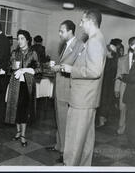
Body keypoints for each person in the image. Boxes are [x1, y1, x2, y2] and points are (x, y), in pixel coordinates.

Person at [61, 9, 106, 166]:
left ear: (90, 22)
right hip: (88, 98)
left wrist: (70, 69)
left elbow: (94, 71)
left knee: (75, 140)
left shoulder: (94, 41)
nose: (80, 25)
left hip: (82, 99)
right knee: (85, 141)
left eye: (82, 21)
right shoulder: (97, 39)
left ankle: (70, 167)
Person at [45, 20, 84, 163]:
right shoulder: (66, 45)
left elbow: (73, 65)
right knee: (59, 119)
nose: (59, 33)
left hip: (67, 88)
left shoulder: (78, 45)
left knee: (65, 121)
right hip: (60, 87)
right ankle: (59, 145)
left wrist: (58, 67)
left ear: (70, 31)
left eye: (62, 31)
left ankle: (65, 151)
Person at [5, 30, 40, 147]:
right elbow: (9, 68)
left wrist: (27, 70)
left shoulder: (32, 53)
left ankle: (23, 135)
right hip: (16, 84)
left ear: (27, 40)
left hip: (27, 85)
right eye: (18, 39)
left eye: (22, 39)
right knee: (16, 108)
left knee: (24, 110)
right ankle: (18, 131)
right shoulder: (14, 53)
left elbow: (39, 69)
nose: (19, 41)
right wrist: (13, 67)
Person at [114, 36, 135, 135]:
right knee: (122, 108)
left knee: (134, 110)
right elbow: (118, 75)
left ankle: (132, 130)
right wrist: (116, 89)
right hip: (124, 87)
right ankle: (121, 127)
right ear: (130, 45)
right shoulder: (122, 59)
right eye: (134, 43)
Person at [96, 44, 118, 127]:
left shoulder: (106, 61)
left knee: (103, 101)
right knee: (107, 102)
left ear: (109, 51)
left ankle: (101, 121)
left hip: (105, 85)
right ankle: (104, 119)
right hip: (110, 85)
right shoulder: (115, 61)